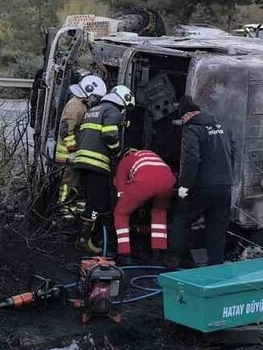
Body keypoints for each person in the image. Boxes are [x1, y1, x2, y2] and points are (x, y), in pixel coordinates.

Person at [168, 95, 234, 268]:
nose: (183, 122)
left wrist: (184, 185)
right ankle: (216, 264)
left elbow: (191, 159)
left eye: (183, 119)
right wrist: (227, 177)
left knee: (182, 219)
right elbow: (232, 151)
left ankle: (173, 259)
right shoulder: (222, 127)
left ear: (188, 115)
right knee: (217, 227)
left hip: (202, 186)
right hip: (225, 185)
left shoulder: (193, 129)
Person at [72, 84, 133, 254]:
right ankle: (84, 240)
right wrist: (117, 151)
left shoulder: (94, 109)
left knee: (87, 200)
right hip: (96, 163)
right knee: (97, 203)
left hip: (81, 160)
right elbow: (109, 134)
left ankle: (80, 234)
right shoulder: (113, 111)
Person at [112, 147, 176, 264]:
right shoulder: (150, 154)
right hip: (168, 180)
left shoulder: (125, 161)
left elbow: (121, 192)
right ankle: (158, 252)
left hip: (144, 181)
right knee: (159, 212)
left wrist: (128, 201)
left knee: (121, 213)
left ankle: (125, 254)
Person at [56, 74, 106, 219]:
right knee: (67, 184)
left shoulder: (80, 104)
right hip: (67, 155)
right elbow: (66, 130)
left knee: (75, 185)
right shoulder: (76, 106)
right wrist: (72, 150)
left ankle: (74, 214)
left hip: (72, 154)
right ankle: (63, 212)